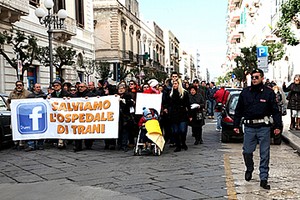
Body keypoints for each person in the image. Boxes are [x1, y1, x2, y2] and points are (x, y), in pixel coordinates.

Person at [233, 69, 282, 190]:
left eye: (256, 77)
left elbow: (275, 111)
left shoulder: (269, 93)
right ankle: (249, 168)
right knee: (247, 152)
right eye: (252, 77)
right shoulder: (245, 92)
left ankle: (264, 178)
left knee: (264, 154)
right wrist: (236, 125)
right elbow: (239, 110)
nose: (254, 79)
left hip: (263, 127)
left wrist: (278, 126)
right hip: (249, 127)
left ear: (262, 78)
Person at [164, 79, 190, 152]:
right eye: (173, 84)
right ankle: (178, 145)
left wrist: (190, 115)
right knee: (175, 131)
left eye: (176, 83)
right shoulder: (170, 93)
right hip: (173, 114)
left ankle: (183, 143)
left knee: (182, 130)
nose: (174, 85)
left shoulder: (184, 93)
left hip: (182, 113)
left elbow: (188, 104)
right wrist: (166, 108)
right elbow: (167, 102)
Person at [7, 80, 31, 150]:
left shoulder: (27, 93)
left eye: (20, 85)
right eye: (17, 85)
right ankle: (15, 143)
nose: (19, 86)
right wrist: (10, 107)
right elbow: (8, 102)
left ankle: (22, 143)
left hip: (23, 115)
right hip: (14, 115)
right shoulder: (12, 94)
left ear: (23, 86)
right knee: (13, 128)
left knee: (23, 127)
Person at [73, 82, 96, 152]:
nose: (80, 88)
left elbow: (96, 100)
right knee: (78, 131)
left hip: (88, 116)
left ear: (85, 88)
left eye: (82, 87)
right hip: (78, 116)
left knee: (87, 130)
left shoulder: (90, 95)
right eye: (79, 87)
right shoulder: (75, 95)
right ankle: (78, 146)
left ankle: (88, 144)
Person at [25, 83, 47, 151]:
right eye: (37, 87)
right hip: (32, 116)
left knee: (41, 130)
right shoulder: (30, 96)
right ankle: (31, 144)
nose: (38, 88)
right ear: (34, 88)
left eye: (39, 87)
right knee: (31, 130)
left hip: (41, 115)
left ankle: (40, 144)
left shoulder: (44, 96)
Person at [50, 80, 70, 149]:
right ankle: (59, 141)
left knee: (63, 126)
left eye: (57, 85)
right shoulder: (52, 94)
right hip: (56, 113)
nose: (55, 87)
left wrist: (67, 99)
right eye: (54, 86)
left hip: (64, 113)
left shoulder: (66, 93)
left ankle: (62, 141)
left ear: (60, 86)